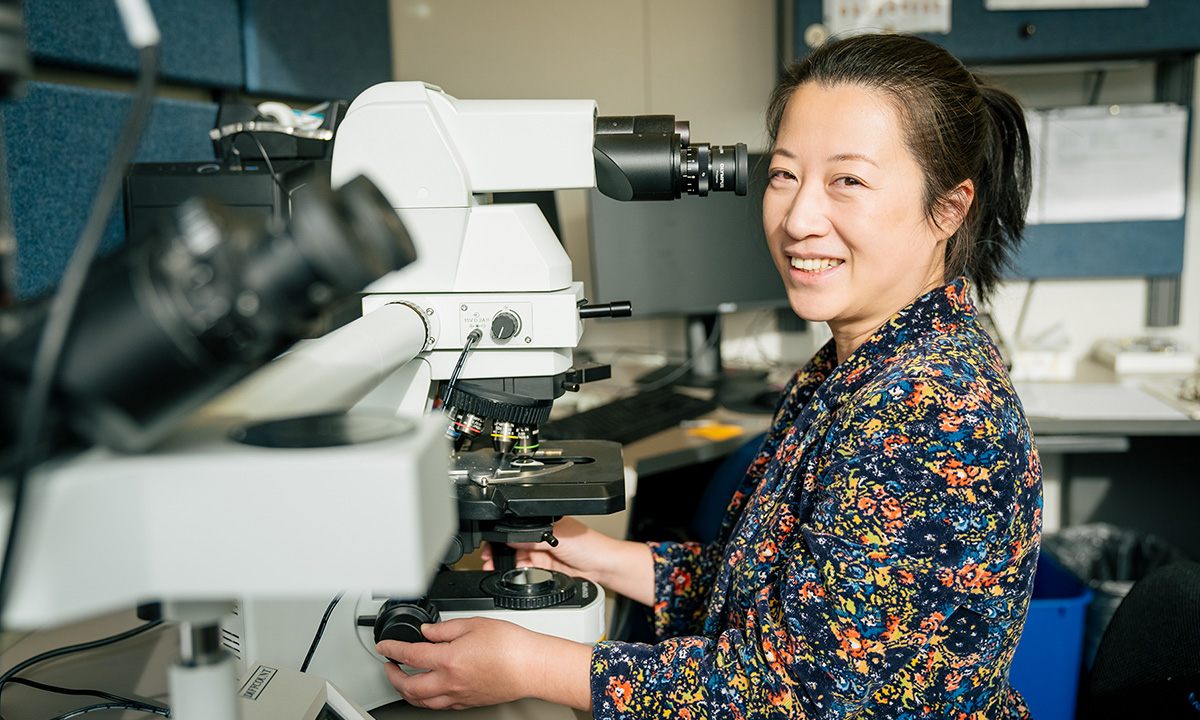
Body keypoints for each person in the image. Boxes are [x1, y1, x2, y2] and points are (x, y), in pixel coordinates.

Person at [376, 32, 1043, 718]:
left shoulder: (930, 412)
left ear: (949, 208)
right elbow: (763, 595)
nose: (799, 217)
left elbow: (801, 697)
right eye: (784, 174)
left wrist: (531, 663)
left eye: (847, 180)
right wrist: (596, 556)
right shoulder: (850, 371)